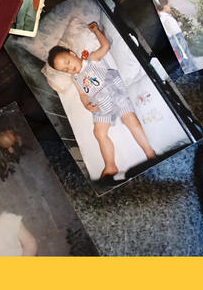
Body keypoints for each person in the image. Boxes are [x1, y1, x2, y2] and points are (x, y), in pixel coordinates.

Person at [47, 22, 156, 182]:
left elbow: (105, 46)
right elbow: (83, 95)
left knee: (130, 119)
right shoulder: (75, 79)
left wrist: (97, 31)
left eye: (68, 63)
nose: (69, 70)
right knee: (98, 133)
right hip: (100, 105)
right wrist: (87, 105)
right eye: (64, 70)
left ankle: (149, 152)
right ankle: (111, 165)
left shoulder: (92, 58)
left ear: (72, 54)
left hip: (114, 93)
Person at [156, 0, 194, 71]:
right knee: (185, 55)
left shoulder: (166, 16)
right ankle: (191, 68)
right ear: (164, 7)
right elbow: (171, 31)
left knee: (185, 54)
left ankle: (191, 66)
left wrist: (177, 25)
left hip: (177, 37)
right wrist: (178, 25)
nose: (169, 6)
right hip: (176, 38)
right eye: (168, 5)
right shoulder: (164, 18)